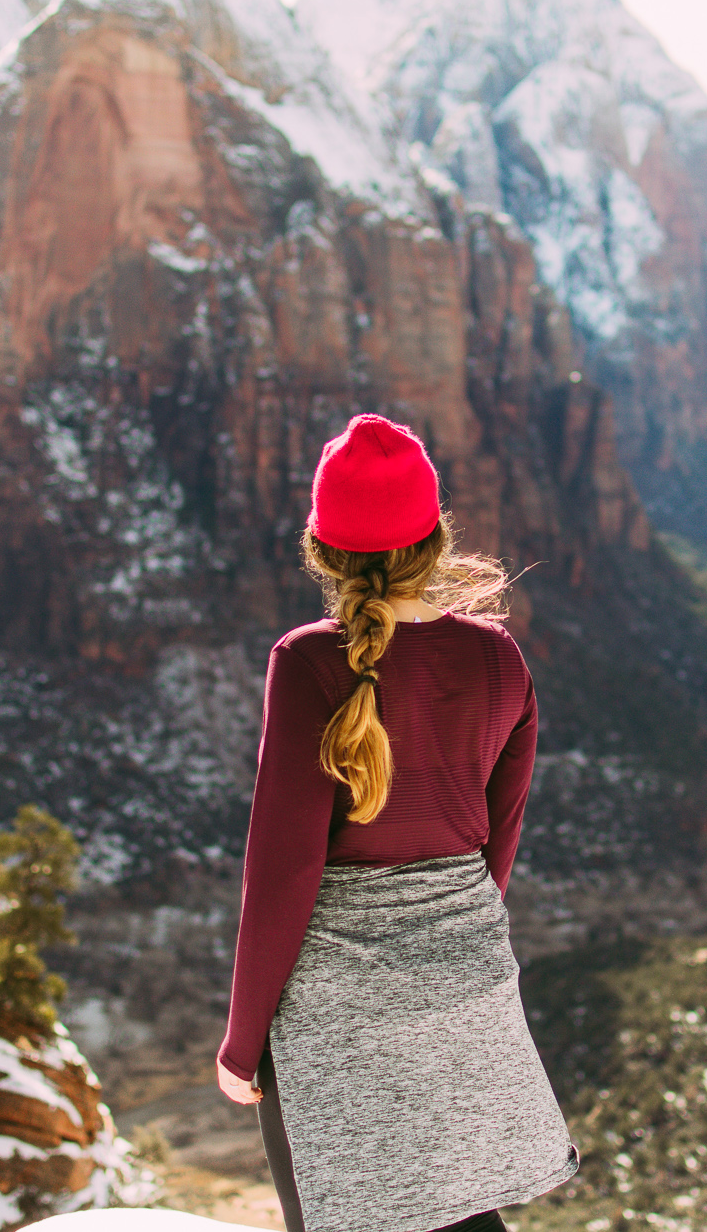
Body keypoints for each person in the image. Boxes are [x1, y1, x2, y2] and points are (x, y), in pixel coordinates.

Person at [215, 413, 578, 1232]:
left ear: (323, 549)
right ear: (434, 539)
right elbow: (497, 846)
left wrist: (242, 1045)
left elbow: (283, 872)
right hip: (466, 987)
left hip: (337, 1013)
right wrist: (447, 946)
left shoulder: (307, 661)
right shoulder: (500, 659)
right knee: (465, 1216)